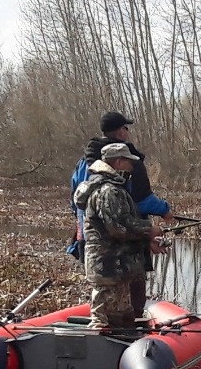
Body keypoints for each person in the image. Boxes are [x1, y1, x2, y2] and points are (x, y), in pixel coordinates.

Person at [69, 111, 174, 318]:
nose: (127, 132)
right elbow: (136, 208)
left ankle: (120, 329)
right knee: (126, 303)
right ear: (120, 132)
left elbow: (76, 199)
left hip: (93, 243)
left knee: (105, 301)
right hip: (116, 255)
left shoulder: (85, 164)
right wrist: (158, 219)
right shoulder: (111, 187)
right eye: (125, 128)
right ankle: (131, 335)